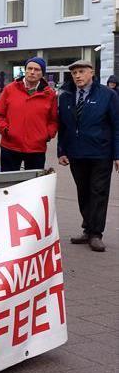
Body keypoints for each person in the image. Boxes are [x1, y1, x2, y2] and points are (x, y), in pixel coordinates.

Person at [57, 60, 119, 252]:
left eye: (81, 71)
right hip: (76, 153)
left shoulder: (108, 95)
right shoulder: (66, 96)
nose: (77, 76)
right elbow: (63, 126)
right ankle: (87, 228)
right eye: (74, 73)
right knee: (83, 192)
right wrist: (62, 151)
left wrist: (117, 154)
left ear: (91, 73)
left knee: (98, 192)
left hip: (101, 153)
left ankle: (96, 234)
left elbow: (117, 125)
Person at [0, 57, 58, 171]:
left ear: (42, 74)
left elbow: (53, 120)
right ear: (25, 70)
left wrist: (46, 135)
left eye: (37, 70)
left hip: (36, 148)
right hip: (10, 146)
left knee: (33, 185)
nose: (32, 72)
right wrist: (7, 131)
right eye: (29, 68)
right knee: (9, 184)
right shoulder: (10, 89)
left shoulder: (50, 94)